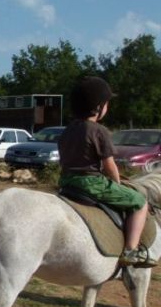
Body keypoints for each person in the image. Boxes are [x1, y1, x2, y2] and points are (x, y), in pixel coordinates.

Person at [58, 76, 155, 267]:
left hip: (67, 181)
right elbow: (110, 166)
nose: (107, 107)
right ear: (98, 106)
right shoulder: (98, 130)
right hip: (91, 183)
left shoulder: (68, 130)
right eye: (107, 103)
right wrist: (117, 183)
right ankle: (131, 251)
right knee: (139, 202)